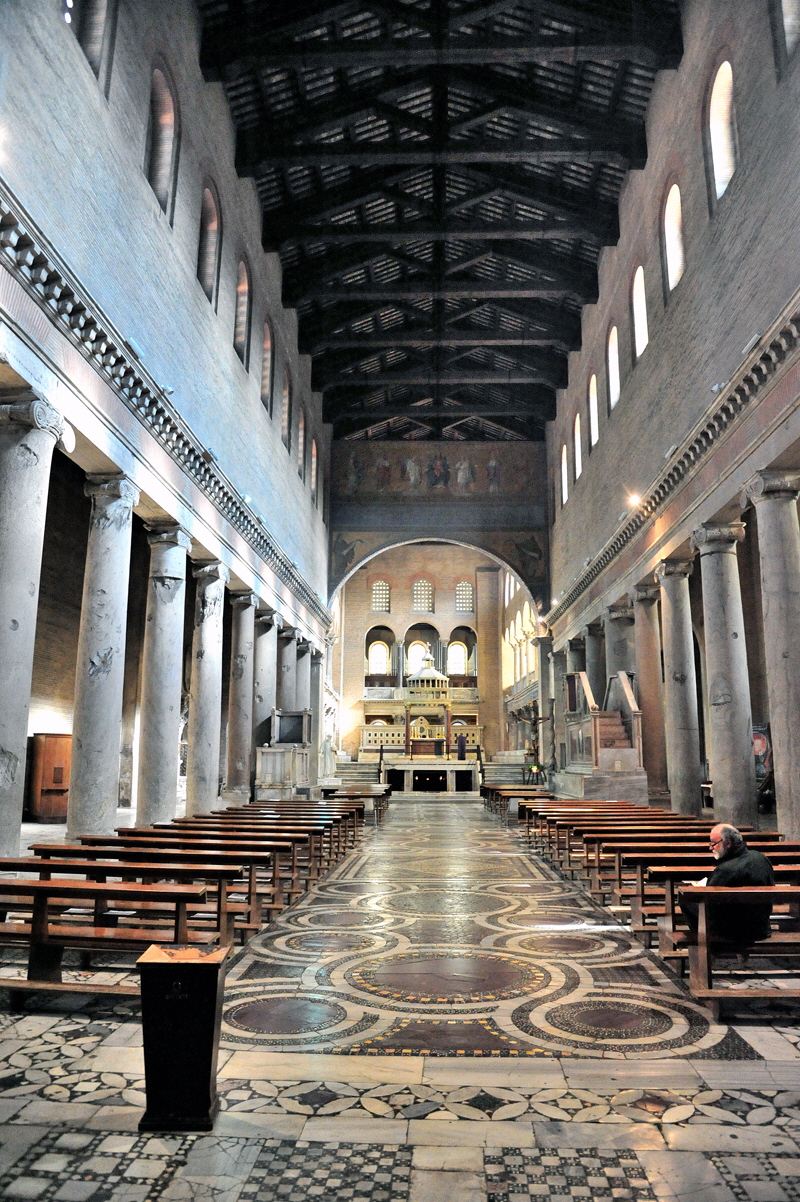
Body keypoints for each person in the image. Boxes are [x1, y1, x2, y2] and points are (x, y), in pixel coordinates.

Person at [680, 823, 774, 945]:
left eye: (713, 844)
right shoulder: (760, 858)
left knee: (685, 898)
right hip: (761, 927)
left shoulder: (726, 870)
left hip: (734, 931)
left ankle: (707, 943)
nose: (710, 848)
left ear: (728, 843)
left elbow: (709, 904)